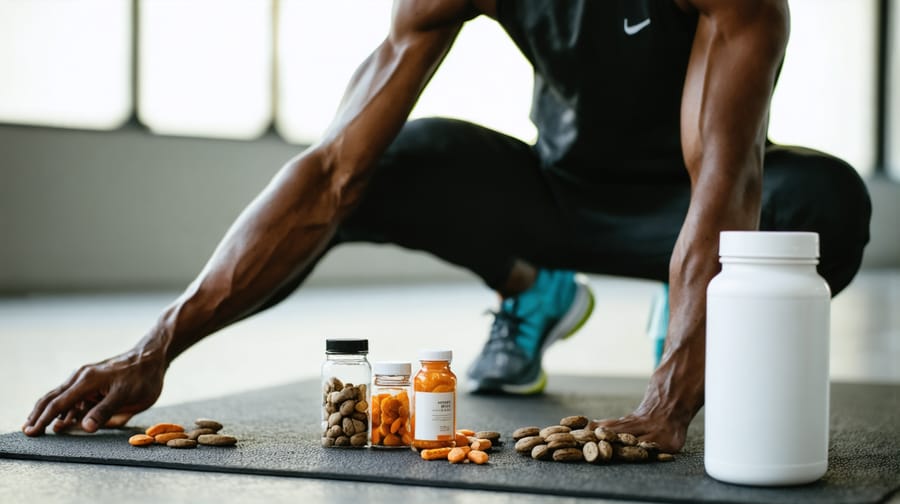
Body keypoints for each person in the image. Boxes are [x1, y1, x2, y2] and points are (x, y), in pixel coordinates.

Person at [22, 0, 871, 452]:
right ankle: (537, 294)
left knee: (825, 205)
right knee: (397, 160)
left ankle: (688, 313)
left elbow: (728, 178)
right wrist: (156, 346)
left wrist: (673, 396)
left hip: (690, 209)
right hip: (557, 198)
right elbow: (328, 174)